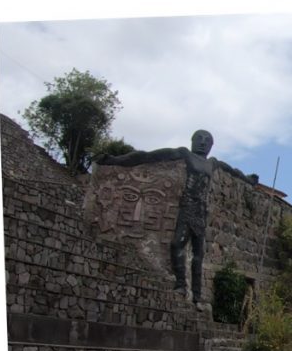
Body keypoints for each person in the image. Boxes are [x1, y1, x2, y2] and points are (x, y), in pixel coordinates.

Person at [95, 130, 252, 304]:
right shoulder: (185, 154)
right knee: (177, 244)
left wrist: (249, 179)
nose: (202, 142)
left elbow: (234, 171)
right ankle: (180, 285)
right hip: (187, 207)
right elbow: (149, 156)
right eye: (199, 138)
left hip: (200, 212)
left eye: (207, 140)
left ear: (211, 146)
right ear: (192, 141)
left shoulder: (212, 163)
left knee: (198, 255)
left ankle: (197, 295)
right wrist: (114, 160)